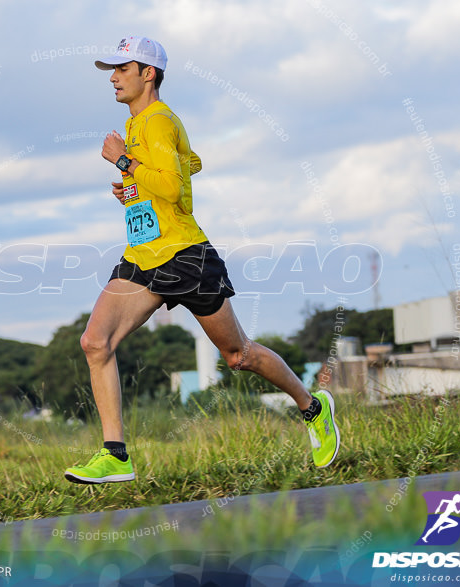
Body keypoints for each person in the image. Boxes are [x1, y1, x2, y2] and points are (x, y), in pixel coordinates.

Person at [63, 36, 339, 485]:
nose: (112, 77)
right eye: (111, 70)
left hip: (186, 258)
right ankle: (116, 455)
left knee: (238, 355)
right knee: (95, 342)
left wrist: (125, 163)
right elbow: (189, 165)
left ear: (147, 74)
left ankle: (313, 408)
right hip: (143, 257)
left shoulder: (157, 121)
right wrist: (132, 190)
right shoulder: (139, 125)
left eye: (122, 69)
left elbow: (173, 187)